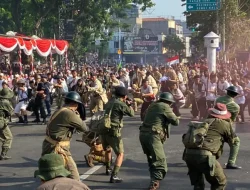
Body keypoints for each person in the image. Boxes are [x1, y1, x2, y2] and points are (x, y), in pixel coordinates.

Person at [183, 103, 235, 190]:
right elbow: (232, 141)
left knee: (198, 184)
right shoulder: (224, 124)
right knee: (220, 182)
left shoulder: (203, 121)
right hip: (205, 156)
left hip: (188, 155)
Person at [41, 91, 88, 181]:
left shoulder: (60, 110)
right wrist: (77, 117)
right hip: (58, 148)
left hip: (48, 145)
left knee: (51, 173)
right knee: (74, 176)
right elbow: (84, 128)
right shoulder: (69, 114)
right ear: (75, 104)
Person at [139, 92, 179, 190]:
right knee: (160, 161)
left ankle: (153, 180)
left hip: (143, 134)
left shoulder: (152, 105)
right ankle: (154, 183)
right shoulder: (165, 107)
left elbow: (144, 116)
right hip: (153, 136)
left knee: (152, 159)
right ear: (169, 102)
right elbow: (176, 122)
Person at [102, 86, 134, 183]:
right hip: (114, 131)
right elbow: (131, 113)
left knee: (108, 150)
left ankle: (108, 168)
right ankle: (114, 175)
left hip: (104, 130)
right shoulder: (121, 104)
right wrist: (129, 104)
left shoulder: (109, 102)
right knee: (120, 154)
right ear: (124, 96)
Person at [215, 86, 241, 169]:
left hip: (213, 122)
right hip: (225, 125)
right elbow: (232, 119)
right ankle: (231, 162)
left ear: (227, 92)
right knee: (236, 142)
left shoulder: (218, 99)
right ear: (236, 95)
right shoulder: (235, 106)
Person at [0, 87, 14, 160]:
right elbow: (11, 111)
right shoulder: (5, 102)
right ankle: (3, 154)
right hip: (1, 121)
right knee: (8, 137)